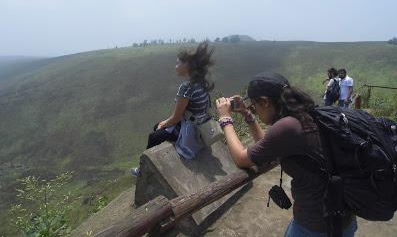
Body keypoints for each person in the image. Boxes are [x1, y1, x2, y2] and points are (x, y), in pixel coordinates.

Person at [215, 72, 357, 237]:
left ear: (265, 101)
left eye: (254, 106)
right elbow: (268, 147)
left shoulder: (287, 127)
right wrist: (248, 115)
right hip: (342, 219)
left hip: (316, 226)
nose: (255, 111)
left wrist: (225, 119)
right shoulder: (304, 116)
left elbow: (241, 159)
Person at [131, 41, 214, 176]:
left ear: (187, 65)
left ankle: (143, 170)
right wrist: (164, 123)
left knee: (154, 135)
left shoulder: (186, 87)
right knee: (159, 126)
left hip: (190, 130)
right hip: (199, 124)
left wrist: (164, 123)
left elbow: (176, 117)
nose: (175, 66)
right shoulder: (200, 82)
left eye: (177, 63)